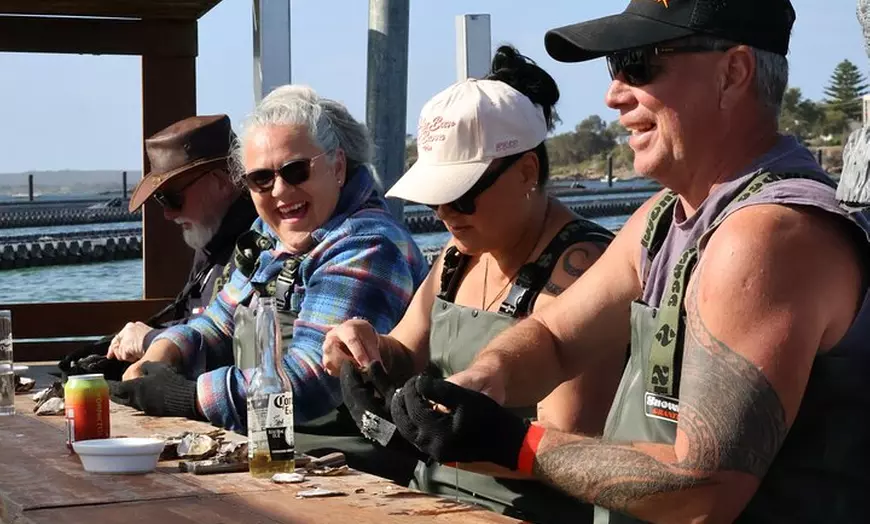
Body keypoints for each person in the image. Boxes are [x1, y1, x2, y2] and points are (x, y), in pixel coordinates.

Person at [386, 2, 870, 523]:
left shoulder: (765, 236)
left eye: (638, 64)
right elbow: (553, 337)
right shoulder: (664, 215)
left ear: (733, 73)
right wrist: (485, 377)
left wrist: (514, 444)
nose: (613, 93)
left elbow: (702, 492)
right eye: (612, 67)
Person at [321, 46, 623, 524]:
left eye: (461, 196)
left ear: (527, 171)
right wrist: (365, 349)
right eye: (436, 198)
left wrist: (410, 432)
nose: (445, 214)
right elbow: (405, 349)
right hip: (427, 501)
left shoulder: (582, 268)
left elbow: (564, 441)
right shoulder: (458, 256)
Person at [108, 85, 430, 433]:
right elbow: (220, 322)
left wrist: (185, 397)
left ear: (338, 166)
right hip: (278, 445)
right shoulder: (270, 235)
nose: (279, 190)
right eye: (260, 178)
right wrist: (164, 351)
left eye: (295, 171)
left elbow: (308, 383)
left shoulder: (368, 247)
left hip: (351, 461)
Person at [58, 114, 258, 378]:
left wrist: (150, 338)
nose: (168, 214)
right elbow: (197, 322)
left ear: (222, 182)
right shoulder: (212, 241)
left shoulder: (256, 244)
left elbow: (238, 344)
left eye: (173, 198)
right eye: (161, 200)